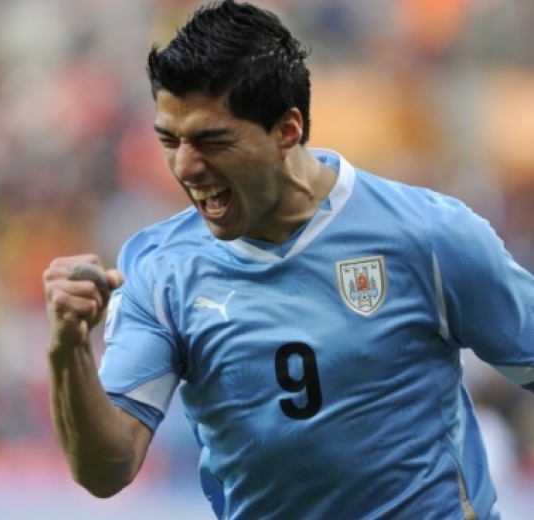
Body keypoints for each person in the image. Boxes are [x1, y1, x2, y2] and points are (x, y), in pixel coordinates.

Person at [42, 1, 534, 519]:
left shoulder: (427, 235)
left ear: (287, 130)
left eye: (212, 141)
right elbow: (108, 469)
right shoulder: (160, 270)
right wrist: (67, 349)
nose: (185, 166)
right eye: (170, 140)